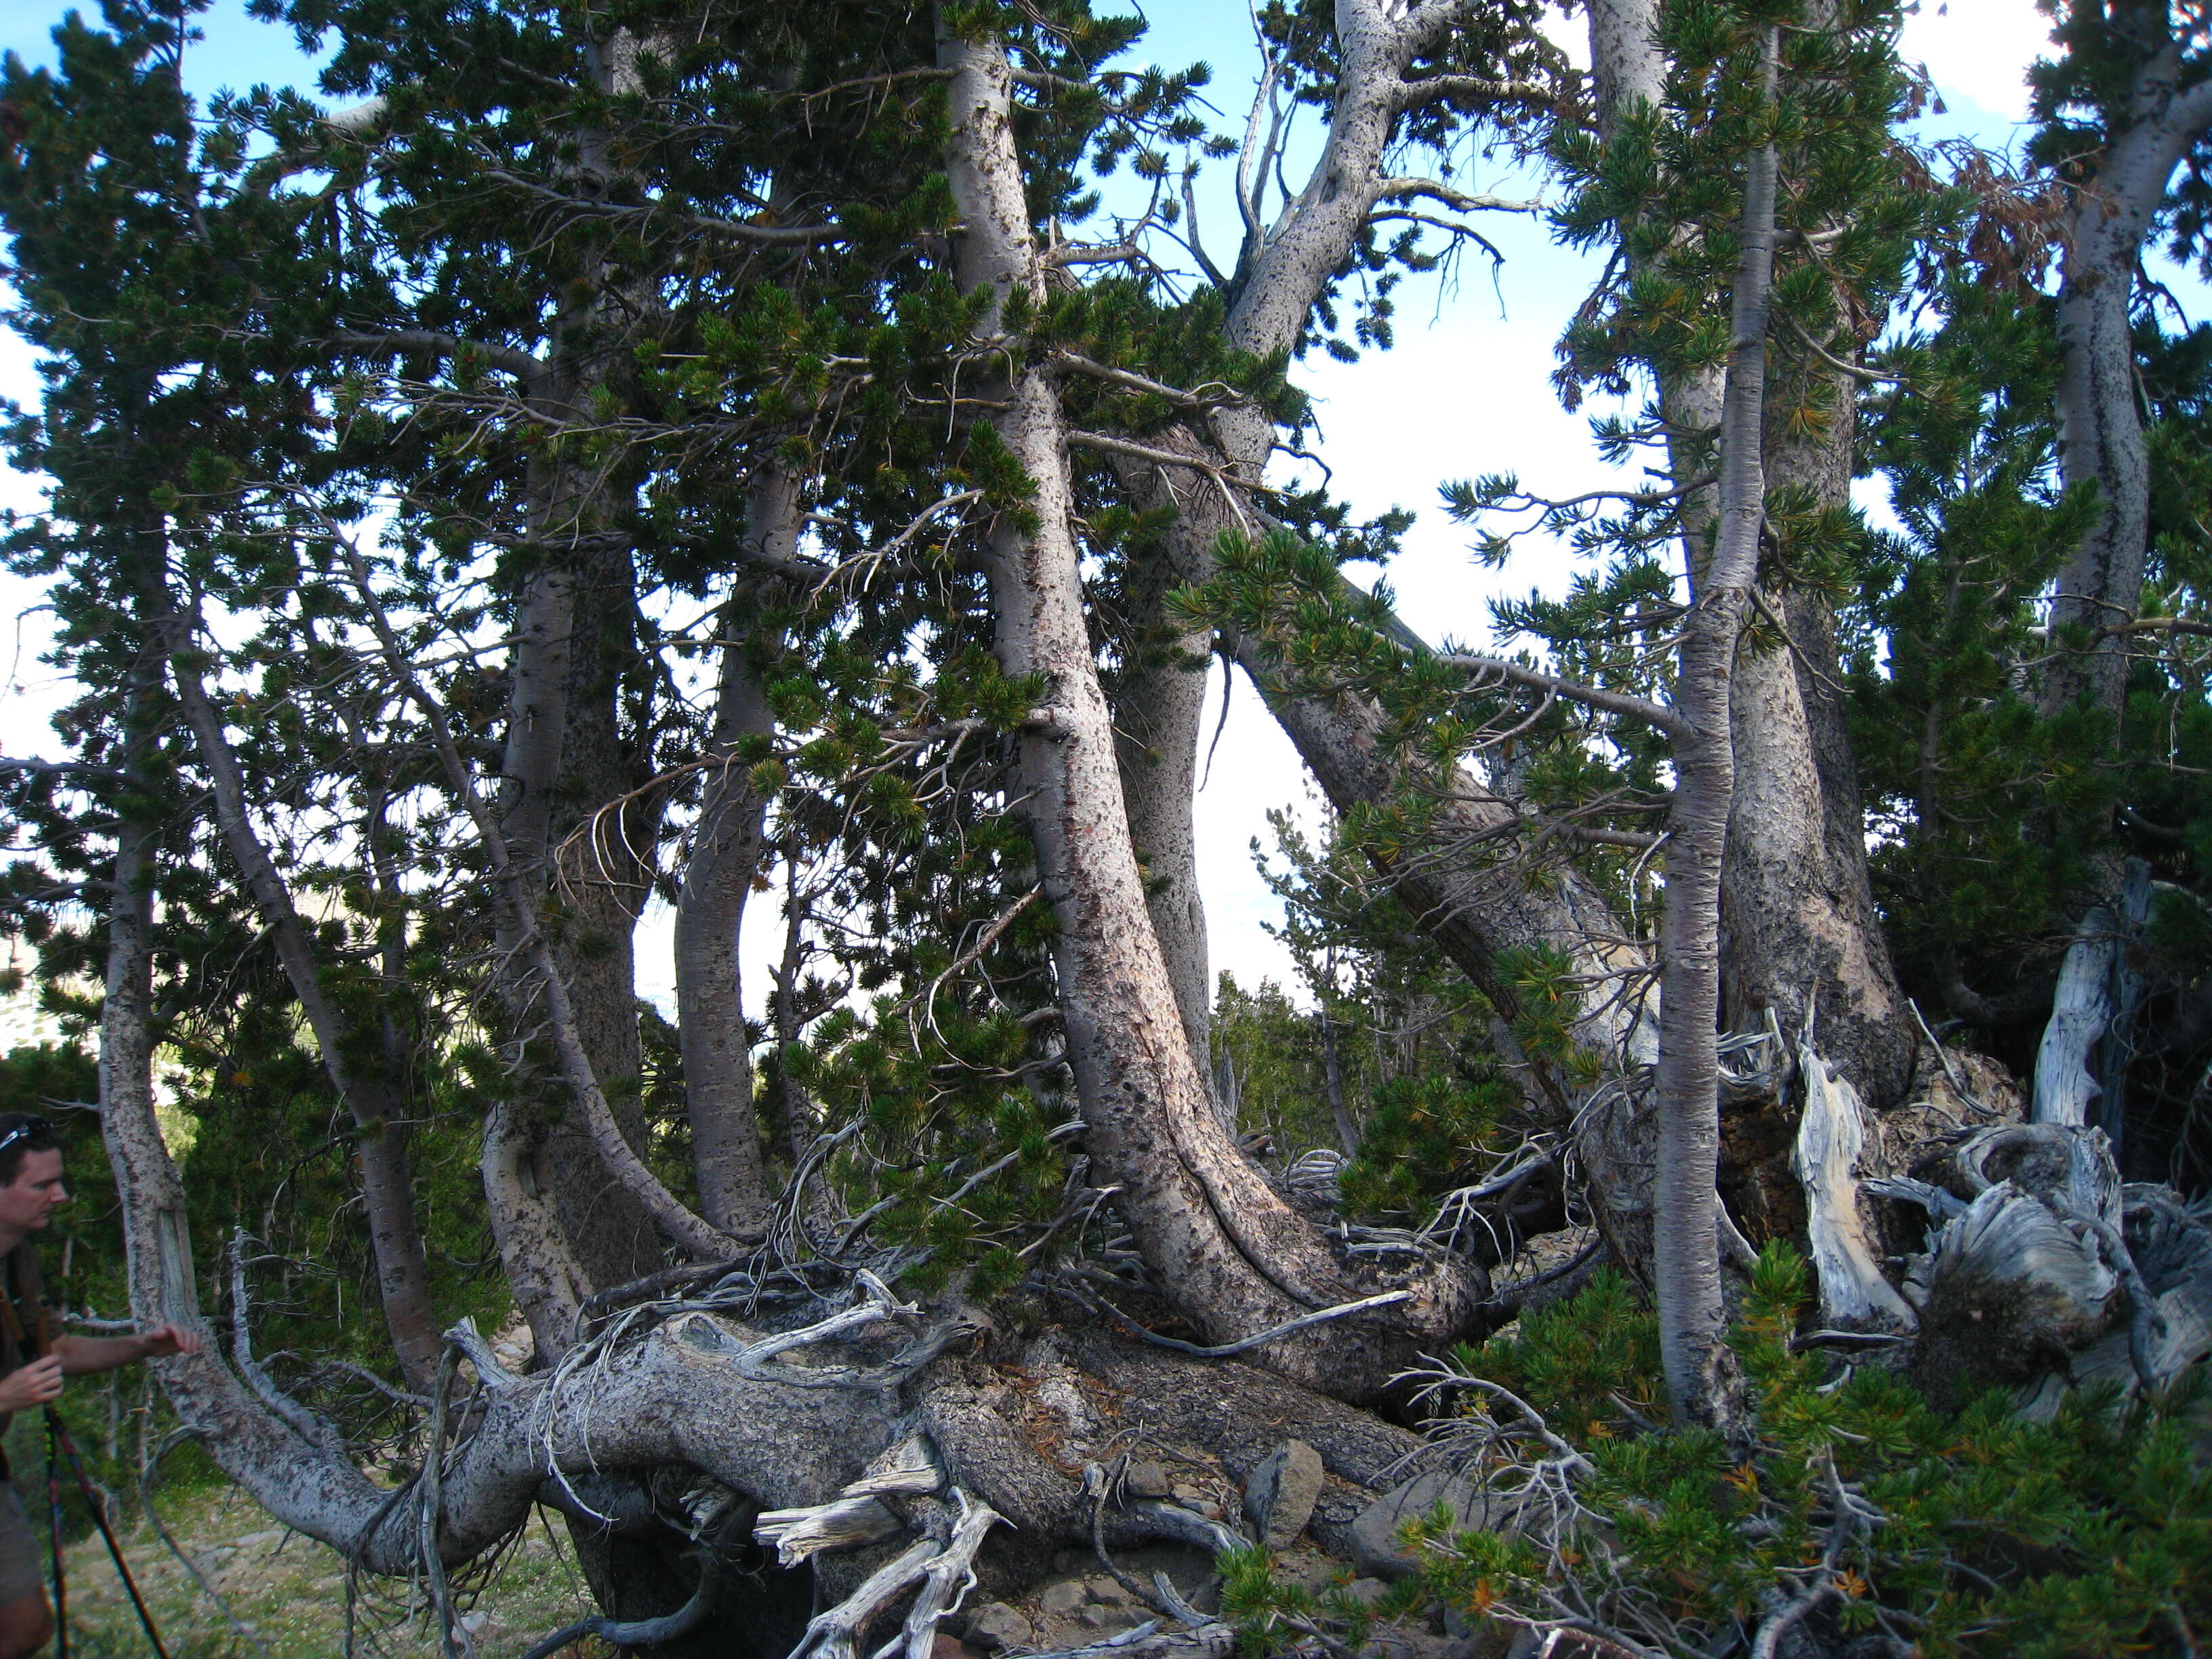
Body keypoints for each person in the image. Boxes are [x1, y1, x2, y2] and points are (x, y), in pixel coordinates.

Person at [0, 1114, 201, 1659]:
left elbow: (55, 1352)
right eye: (42, 1185)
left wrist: (141, 1346)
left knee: (26, 1626)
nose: (60, 1196)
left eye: (59, 1181)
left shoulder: (17, 1260)